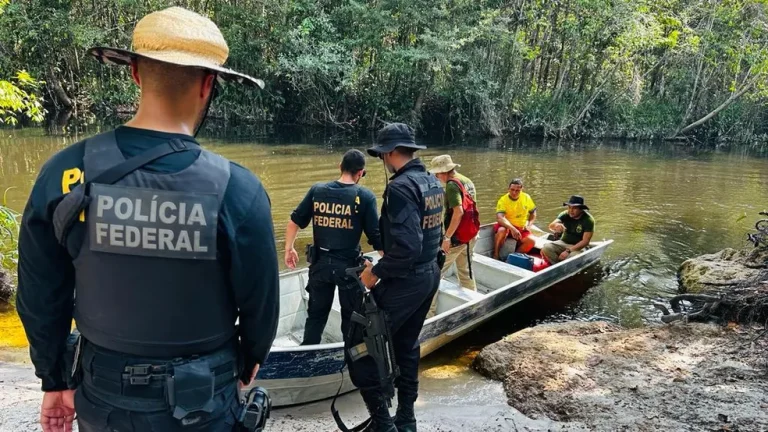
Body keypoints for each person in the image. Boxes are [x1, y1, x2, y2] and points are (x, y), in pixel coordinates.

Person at [16, 7, 279, 432]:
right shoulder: (238, 189)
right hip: (204, 399)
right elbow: (260, 304)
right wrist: (250, 360)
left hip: (103, 395)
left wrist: (54, 378)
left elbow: (39, 293)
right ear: (209, 84)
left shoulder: (66, 171)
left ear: (135, 73)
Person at [354, 123, 443, 432]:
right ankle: (406, 418)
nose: (382, 160)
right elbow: (434, 235)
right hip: (429, 275)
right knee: (406, 345)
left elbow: (406, 247)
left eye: (382, 155)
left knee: (361, 348)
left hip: (407, 279)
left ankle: (383, 426)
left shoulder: (401, 187)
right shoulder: (430, 181)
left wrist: (374, 273)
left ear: (390, 153)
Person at [284, 149, 383, 345]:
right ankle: (350, 358)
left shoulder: (317, 190)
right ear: (361, 173)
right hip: (349, 270)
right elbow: (376, 237)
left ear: (340, 167)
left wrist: (289, 248)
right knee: (350, 318)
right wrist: (390, 261)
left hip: (320, 266)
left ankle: (308, 353)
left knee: (316, 316)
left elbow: (294, 221)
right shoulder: (365, 196)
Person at [427, 154, 478, 316]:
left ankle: (430, 314)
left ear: (445, 171)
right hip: (470, 235)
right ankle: (474, 304)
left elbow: (458, 212)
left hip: (456, 238)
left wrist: (447, 237)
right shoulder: (466, 180)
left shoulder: (451, 185)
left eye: (437, 173)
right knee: (466, 270)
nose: (436, 177)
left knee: (434, 273)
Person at [541, 195, 595, 264]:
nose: (571, 210)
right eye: (569, 207)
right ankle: (556, 265)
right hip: (563, 242)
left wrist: (568, 251)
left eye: (574, 208)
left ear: (581, 209)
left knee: (573, 256)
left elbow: (585, 241)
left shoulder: (588, 220)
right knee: (546, 248)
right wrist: (556, 225)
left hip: (578, 246)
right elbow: (551, 226)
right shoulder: (565, 214)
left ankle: (563, 266)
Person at [494, 178, 537, 259]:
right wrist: (512, 228)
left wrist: (529, 224)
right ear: (508, 189)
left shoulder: (526, 197)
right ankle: (495, 254)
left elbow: (533, 212)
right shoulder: (503, 200)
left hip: (521, 227)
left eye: (517, 190)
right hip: (507, 226)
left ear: (522, 190)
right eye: (512, 189)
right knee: (501, 230)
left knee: (531, 241)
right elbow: (500, 218)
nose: (514, 192)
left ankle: (513, 258)